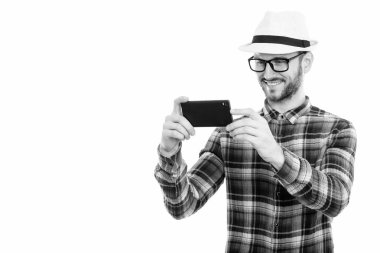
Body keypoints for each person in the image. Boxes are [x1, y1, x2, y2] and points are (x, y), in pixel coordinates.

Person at [154, 11, 357, 253]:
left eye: (279, 61)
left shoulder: (337, 129)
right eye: (260, 61)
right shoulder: (229, 133)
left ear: (306, 62)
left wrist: (276, 155)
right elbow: (182, 206)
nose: (267, 74)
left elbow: (336, 200)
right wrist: (169, 153)